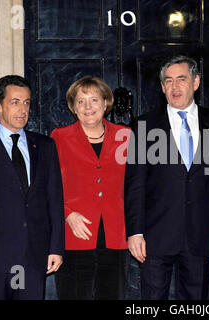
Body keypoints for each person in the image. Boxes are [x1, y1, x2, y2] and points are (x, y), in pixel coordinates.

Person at [125, 55, 209, 300]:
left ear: (195, 82)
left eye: (181, 79)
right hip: (155, 236)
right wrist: (134, 232)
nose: (175, 86)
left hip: (201, 234)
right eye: (168, 81)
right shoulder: (144, 125)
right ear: (162, 87)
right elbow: (135, 185)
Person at [0, 75, 65, 300]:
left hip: (34, 257)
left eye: (26, 102)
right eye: (14, 102)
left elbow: (54, 200)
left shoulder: (45, 146)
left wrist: (56, 247)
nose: (22, 109)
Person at [51, 76, 130, 300]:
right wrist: (67, 214)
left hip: (116, 235)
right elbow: (49, 187)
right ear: (73, 107)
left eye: (94, 100)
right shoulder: (59, 138)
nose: (88, 107)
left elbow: (136, 186)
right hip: (75, 235)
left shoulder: (125, 136)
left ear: (105, 103)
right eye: (81, 101)